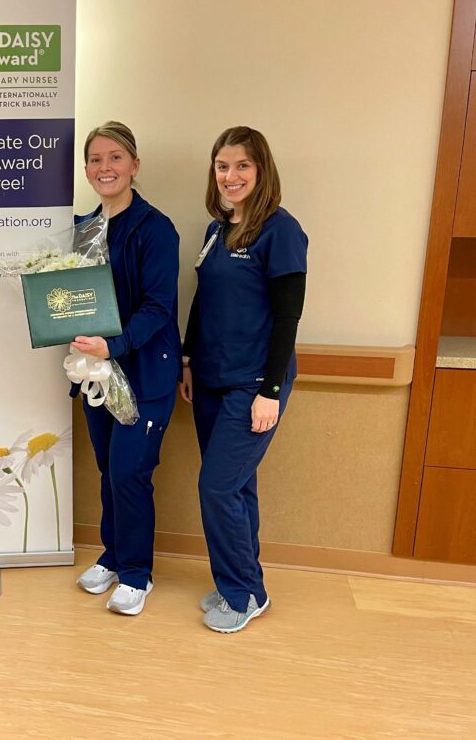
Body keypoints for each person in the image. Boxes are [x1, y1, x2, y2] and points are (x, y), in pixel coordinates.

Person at [179, 126, 308, 633]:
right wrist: (188, 361)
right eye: (222, 166)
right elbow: (202, 300)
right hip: (211, 377)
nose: (230, 176)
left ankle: (240, 595)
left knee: (216, 487)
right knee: (236, 488)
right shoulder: (217, 230)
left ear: (261, 171)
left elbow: (288, 319)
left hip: (253, 383)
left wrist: (270, 392)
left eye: (241, 167)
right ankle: (248, 584)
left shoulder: (282, 231)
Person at [72, 121, 181, 616]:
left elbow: (159, 308)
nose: (104, 167)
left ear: (134, 166)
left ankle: (137, 573)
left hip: (143, 372)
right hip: (96, 372)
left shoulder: (156, 229)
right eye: (95, 159)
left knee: (130, 471)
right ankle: (114, 554)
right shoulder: (83, 229)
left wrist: (111, 345)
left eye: (115, 157)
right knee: (107, 468)